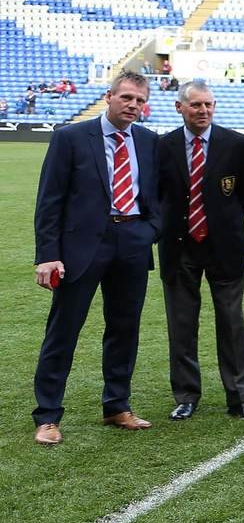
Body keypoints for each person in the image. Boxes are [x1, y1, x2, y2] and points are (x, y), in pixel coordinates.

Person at [31, 72, 161, 444]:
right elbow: (50, 200)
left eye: (139, 100)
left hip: (132, 243)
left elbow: (160, 195)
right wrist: (48, 255)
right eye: (126, 98)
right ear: (109, 96)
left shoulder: (149, 142)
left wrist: (150, 230)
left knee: (124, 329)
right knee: (63, 331)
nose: (133, 105)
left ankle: (117, 406)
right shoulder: (70, 138)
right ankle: (48, 416)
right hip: (81, 248)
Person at [153, 81, 244, 422]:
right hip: (179, 247)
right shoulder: (163, 146)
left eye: (208, 105)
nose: (203, 111)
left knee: (232, 323)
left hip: (224, 247)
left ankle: (240, 397)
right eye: (196, 105)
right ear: (179, 107)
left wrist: (220, 222)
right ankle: (186, 395)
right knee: (182, 324)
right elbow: (157, 195)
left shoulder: (237, 144)